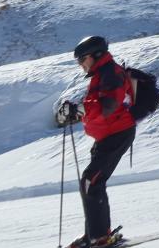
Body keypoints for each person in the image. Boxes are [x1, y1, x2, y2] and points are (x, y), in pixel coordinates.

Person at [55, 35, 136, 248]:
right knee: (90, 182)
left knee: (91, 182)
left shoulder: (111, 73)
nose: (80, 64)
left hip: (118, 133)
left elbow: (108, 106)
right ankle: (94, 234)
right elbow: (96, 107)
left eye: (82, 59)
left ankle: (100, 237)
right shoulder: (102, 74)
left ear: (96, 55)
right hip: (108, 136)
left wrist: (79, 110)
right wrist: (75, 112)